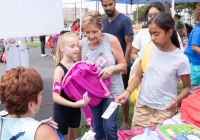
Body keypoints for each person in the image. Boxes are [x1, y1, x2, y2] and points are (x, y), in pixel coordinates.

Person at [116, 12, 191, 129]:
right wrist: (127, 92)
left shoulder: (181, 59)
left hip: (164, 111)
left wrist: (176, 100)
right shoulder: (149, 49)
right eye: (150, 34)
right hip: (142, 108)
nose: (152, 38)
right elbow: (137, 76)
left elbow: (187, 87)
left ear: (169, 32)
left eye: (156, 34)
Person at [77, 10, 127, 140]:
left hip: (112, 91)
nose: (91, 36)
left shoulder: (111, 40)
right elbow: (77, 68)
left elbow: (123, 65)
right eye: (87, 32)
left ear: (101, 28)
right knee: (96, 126)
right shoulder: (82, 44)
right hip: (93, 92)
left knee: (109, 126)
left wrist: (111, 68)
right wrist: (85, 66)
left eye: (94, 32)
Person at [0, 67, 60, 140]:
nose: (41, 97)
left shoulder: (2, 116)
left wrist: (37, 125)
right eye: (40, 94)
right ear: (30, 104)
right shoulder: (45, 133)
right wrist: (39, 129)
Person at [101, 0, 133, 130]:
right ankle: (104, 118)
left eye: (110, 4)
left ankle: (125, 122)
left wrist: (124, 64)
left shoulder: (124, 20)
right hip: (106, 66)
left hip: (121, 65)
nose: (108, 7)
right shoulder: (102, 22)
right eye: (105, 5)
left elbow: (129, 44)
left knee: (123, 93)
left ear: (115, 2)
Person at [53, 31, 90, 140]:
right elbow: (55, 97)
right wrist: (74, 105)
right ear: (62, 48)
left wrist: (89, 67)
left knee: (73, 137)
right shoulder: (59, 70)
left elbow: (87, 84)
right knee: (62, 138)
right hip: (62, 110)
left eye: (77, 45)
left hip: (76, 108)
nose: (76, 49)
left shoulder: (77, 66)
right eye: (72, 46)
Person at [184, 7, 200, 88]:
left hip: (196, 61)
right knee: (194, 84)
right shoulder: (198, 30)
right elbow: (194, 47)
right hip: (194, 61)